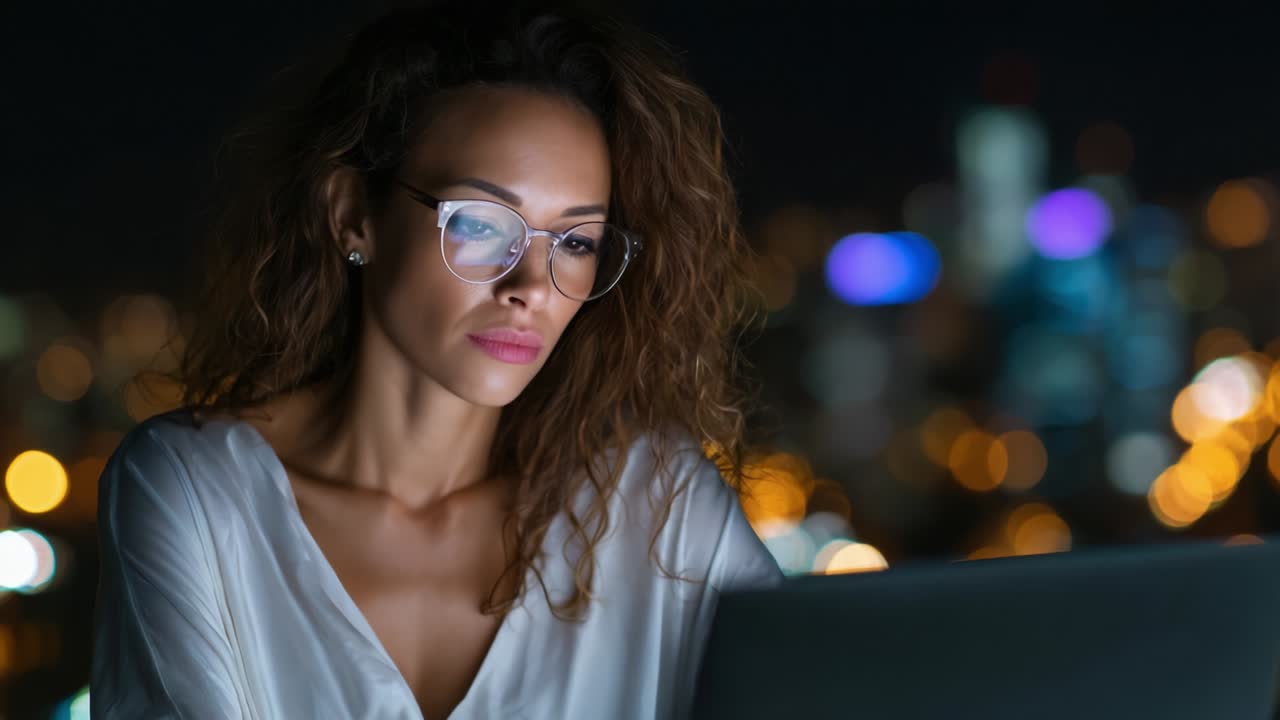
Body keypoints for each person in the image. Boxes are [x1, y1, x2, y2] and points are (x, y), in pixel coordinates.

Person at [91, 2, 782, 718]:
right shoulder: (195, 492)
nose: (530, 287)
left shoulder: (660, 508)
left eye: (576, 242)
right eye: (480, 223)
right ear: (353, 214)